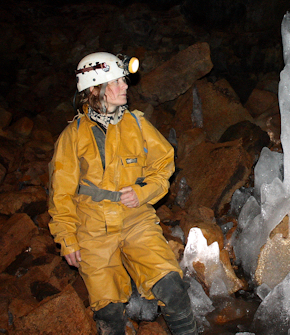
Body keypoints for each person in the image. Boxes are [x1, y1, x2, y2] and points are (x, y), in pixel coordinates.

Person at [48, 52, 197, 335]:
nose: (125, 86)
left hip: (136, 219)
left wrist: (144, 192)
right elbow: (61, 192)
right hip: (92, 229)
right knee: (109, 313)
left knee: (173, 288)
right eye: (116, 82)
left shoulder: (137, 124)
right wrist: (67, 238)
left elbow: (165, 164)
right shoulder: (73, 136)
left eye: (123, 81)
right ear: (94, 90)